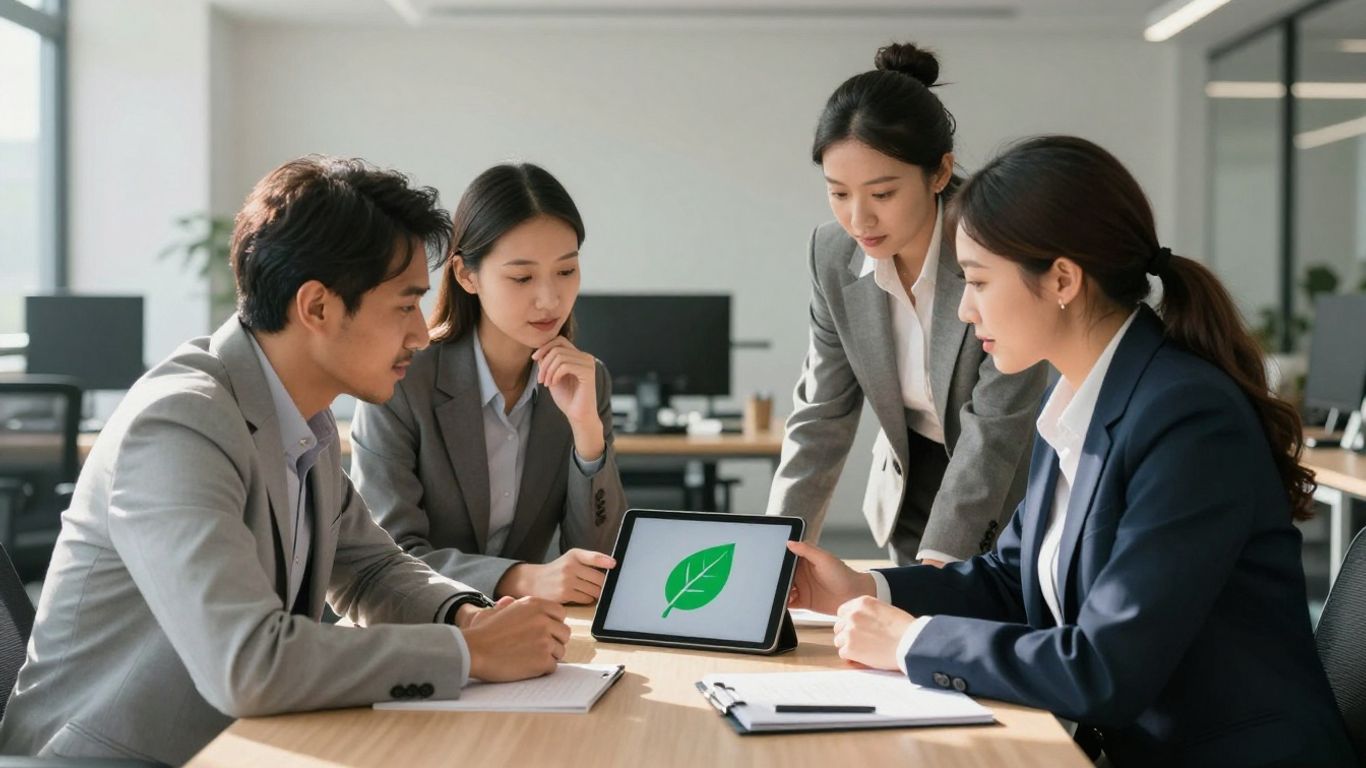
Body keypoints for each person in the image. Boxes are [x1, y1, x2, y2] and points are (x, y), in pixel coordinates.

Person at [786, 136, 1356, 767]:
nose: (966, 311)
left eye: (975, 281)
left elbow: (1104, 669)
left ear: (1062, 279)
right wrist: (865, 588)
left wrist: (913, 642)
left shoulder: (1187, 418)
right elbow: (1010, 582)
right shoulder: (1082, 403)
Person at [0, 157, 571, 765]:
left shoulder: (303, 417)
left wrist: (468, 616)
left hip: (240, 744)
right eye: (404, 305)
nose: (419, 334)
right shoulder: (178, 423)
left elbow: (373, 570)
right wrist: (467, 655)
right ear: (317, 307)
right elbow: (247, 663)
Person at [766, 42, 1047, 566]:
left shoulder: (1000, 251)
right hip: (910, 476)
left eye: (883, 194)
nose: (859, 220)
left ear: (939, 174)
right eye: (839, 193)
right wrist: (773, 553)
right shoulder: (832, 254)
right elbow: (821, 415)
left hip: (1012, 486)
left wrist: (941, 569)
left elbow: (996, 429)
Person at [350, 163, 627, 603]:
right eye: (522, 277)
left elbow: (598, 560)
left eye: (566, 271)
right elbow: (385, 558)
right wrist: (518, 578)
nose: (549, 299)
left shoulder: (586, 380)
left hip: (537, 640)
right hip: (422, 632)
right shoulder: (402, 379)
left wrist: (587, 435)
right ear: (466, 275)